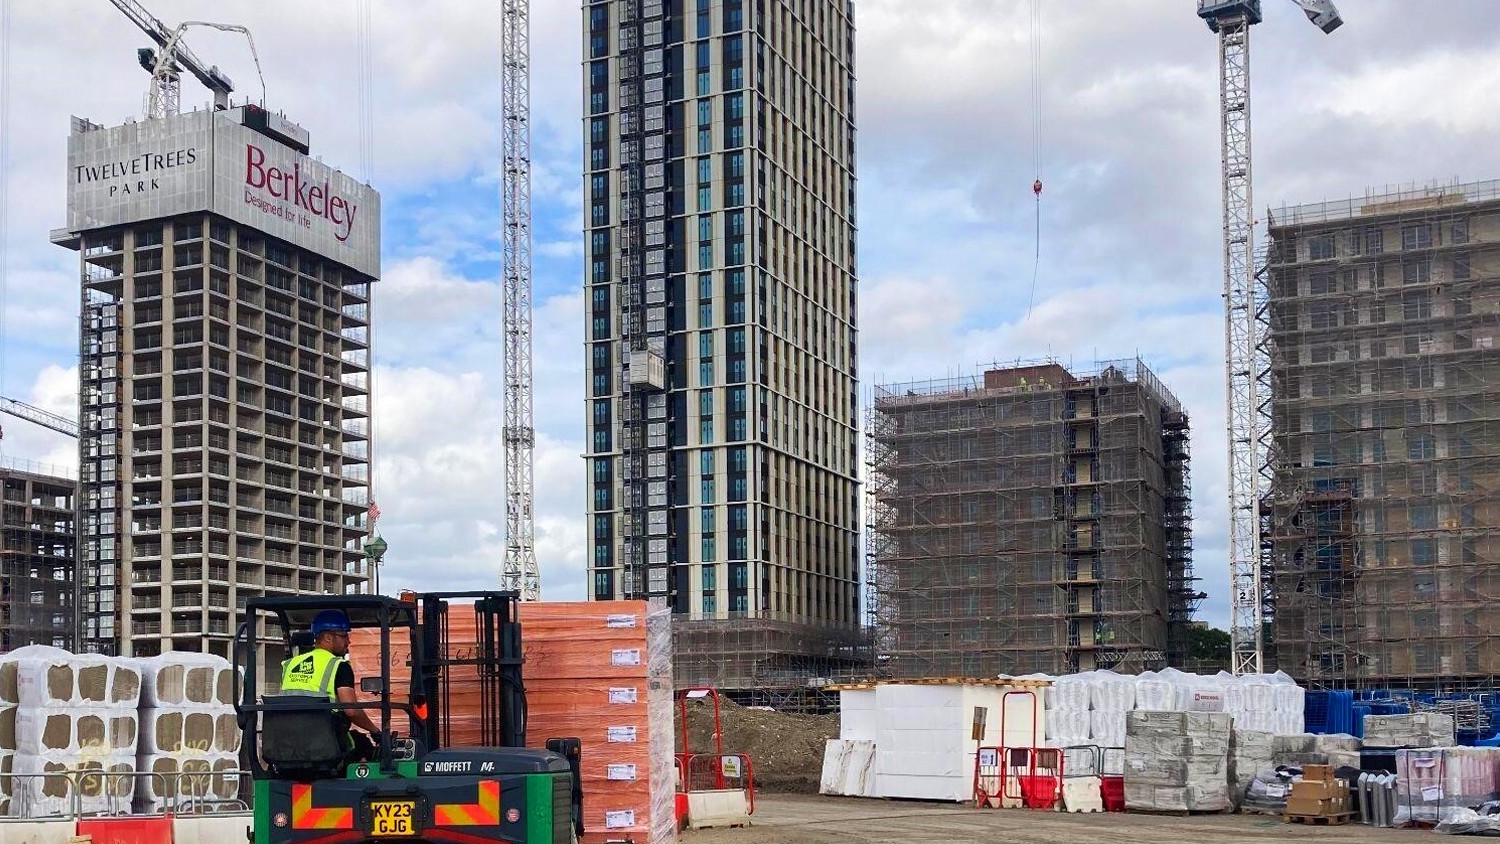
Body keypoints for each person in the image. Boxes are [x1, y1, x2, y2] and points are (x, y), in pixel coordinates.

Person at [280, 609, 381, 760]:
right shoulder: (338, 666)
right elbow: (351, 710)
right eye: (344, 636)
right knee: (364, 744)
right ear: (327, 637)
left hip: (289, 744)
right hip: (324, 744)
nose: (348, 641)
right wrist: (375, 731)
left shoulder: (290, 664)